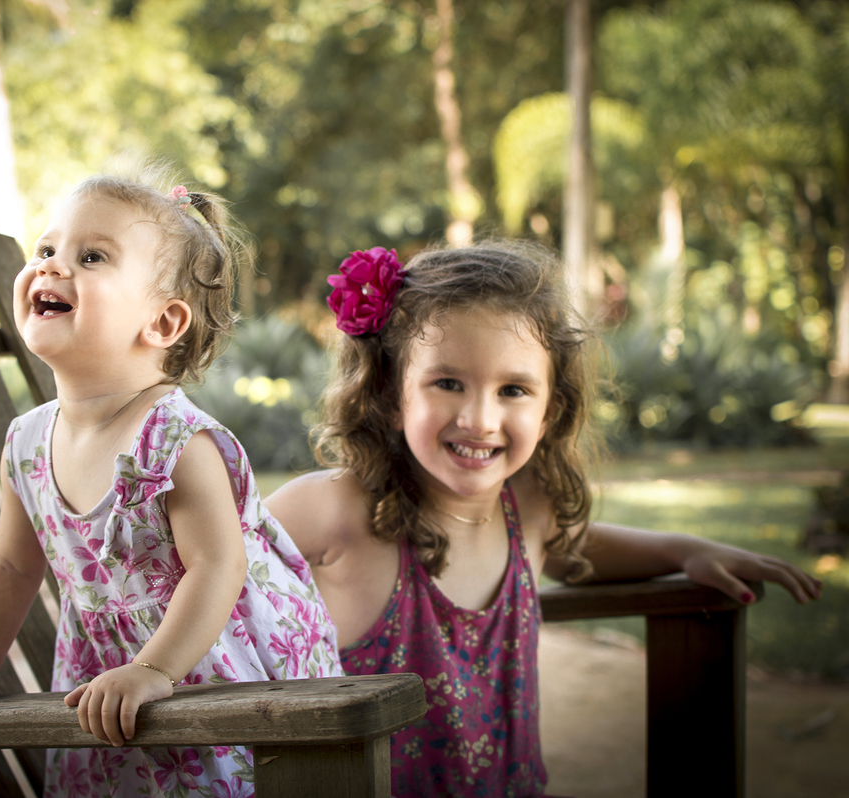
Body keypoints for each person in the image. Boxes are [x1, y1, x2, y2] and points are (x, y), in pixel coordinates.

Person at [266, 242, 823, 797]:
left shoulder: (525, 509)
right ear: (391, 394)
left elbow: (571, 546)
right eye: (448, 382)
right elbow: (200, 574)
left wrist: (681, 552)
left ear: (550, 408)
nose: (480, 418)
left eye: (513, 390)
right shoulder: (335, 510)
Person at [0, 163, 341, 797]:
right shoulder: (28, 441)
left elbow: (217, 566)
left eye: (91, 257)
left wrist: (153, 667)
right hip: (99, 680)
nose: (51, 265)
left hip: (210, 671)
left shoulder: (175, 439)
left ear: (163, 324)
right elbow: (12, 567)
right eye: (46, 248)